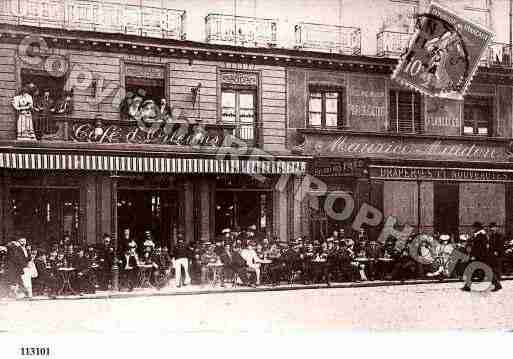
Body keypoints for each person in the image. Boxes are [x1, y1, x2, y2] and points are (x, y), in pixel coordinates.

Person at [462, 222, 495, 292]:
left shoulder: (481, 235)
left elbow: (479, 247)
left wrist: (474, 255)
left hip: (480, 256)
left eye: (474, 227)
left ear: (477, 228)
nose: (473, 229)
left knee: (473, 270)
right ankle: (467, 286)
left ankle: (467, 286)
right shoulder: (479, 235)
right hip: (481, 256)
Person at [487, 222, 504, 291]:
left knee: (496, 270)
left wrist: (497, 251)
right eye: (491, 228)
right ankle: (497, 284)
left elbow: (501, 245)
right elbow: (490, 245)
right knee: (491, 270)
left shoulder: (500, 235)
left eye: (493, 227)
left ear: (496, 228)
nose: (492, 229)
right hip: (491, 255)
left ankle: (497, 284)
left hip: (498, 255)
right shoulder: (491, 236)